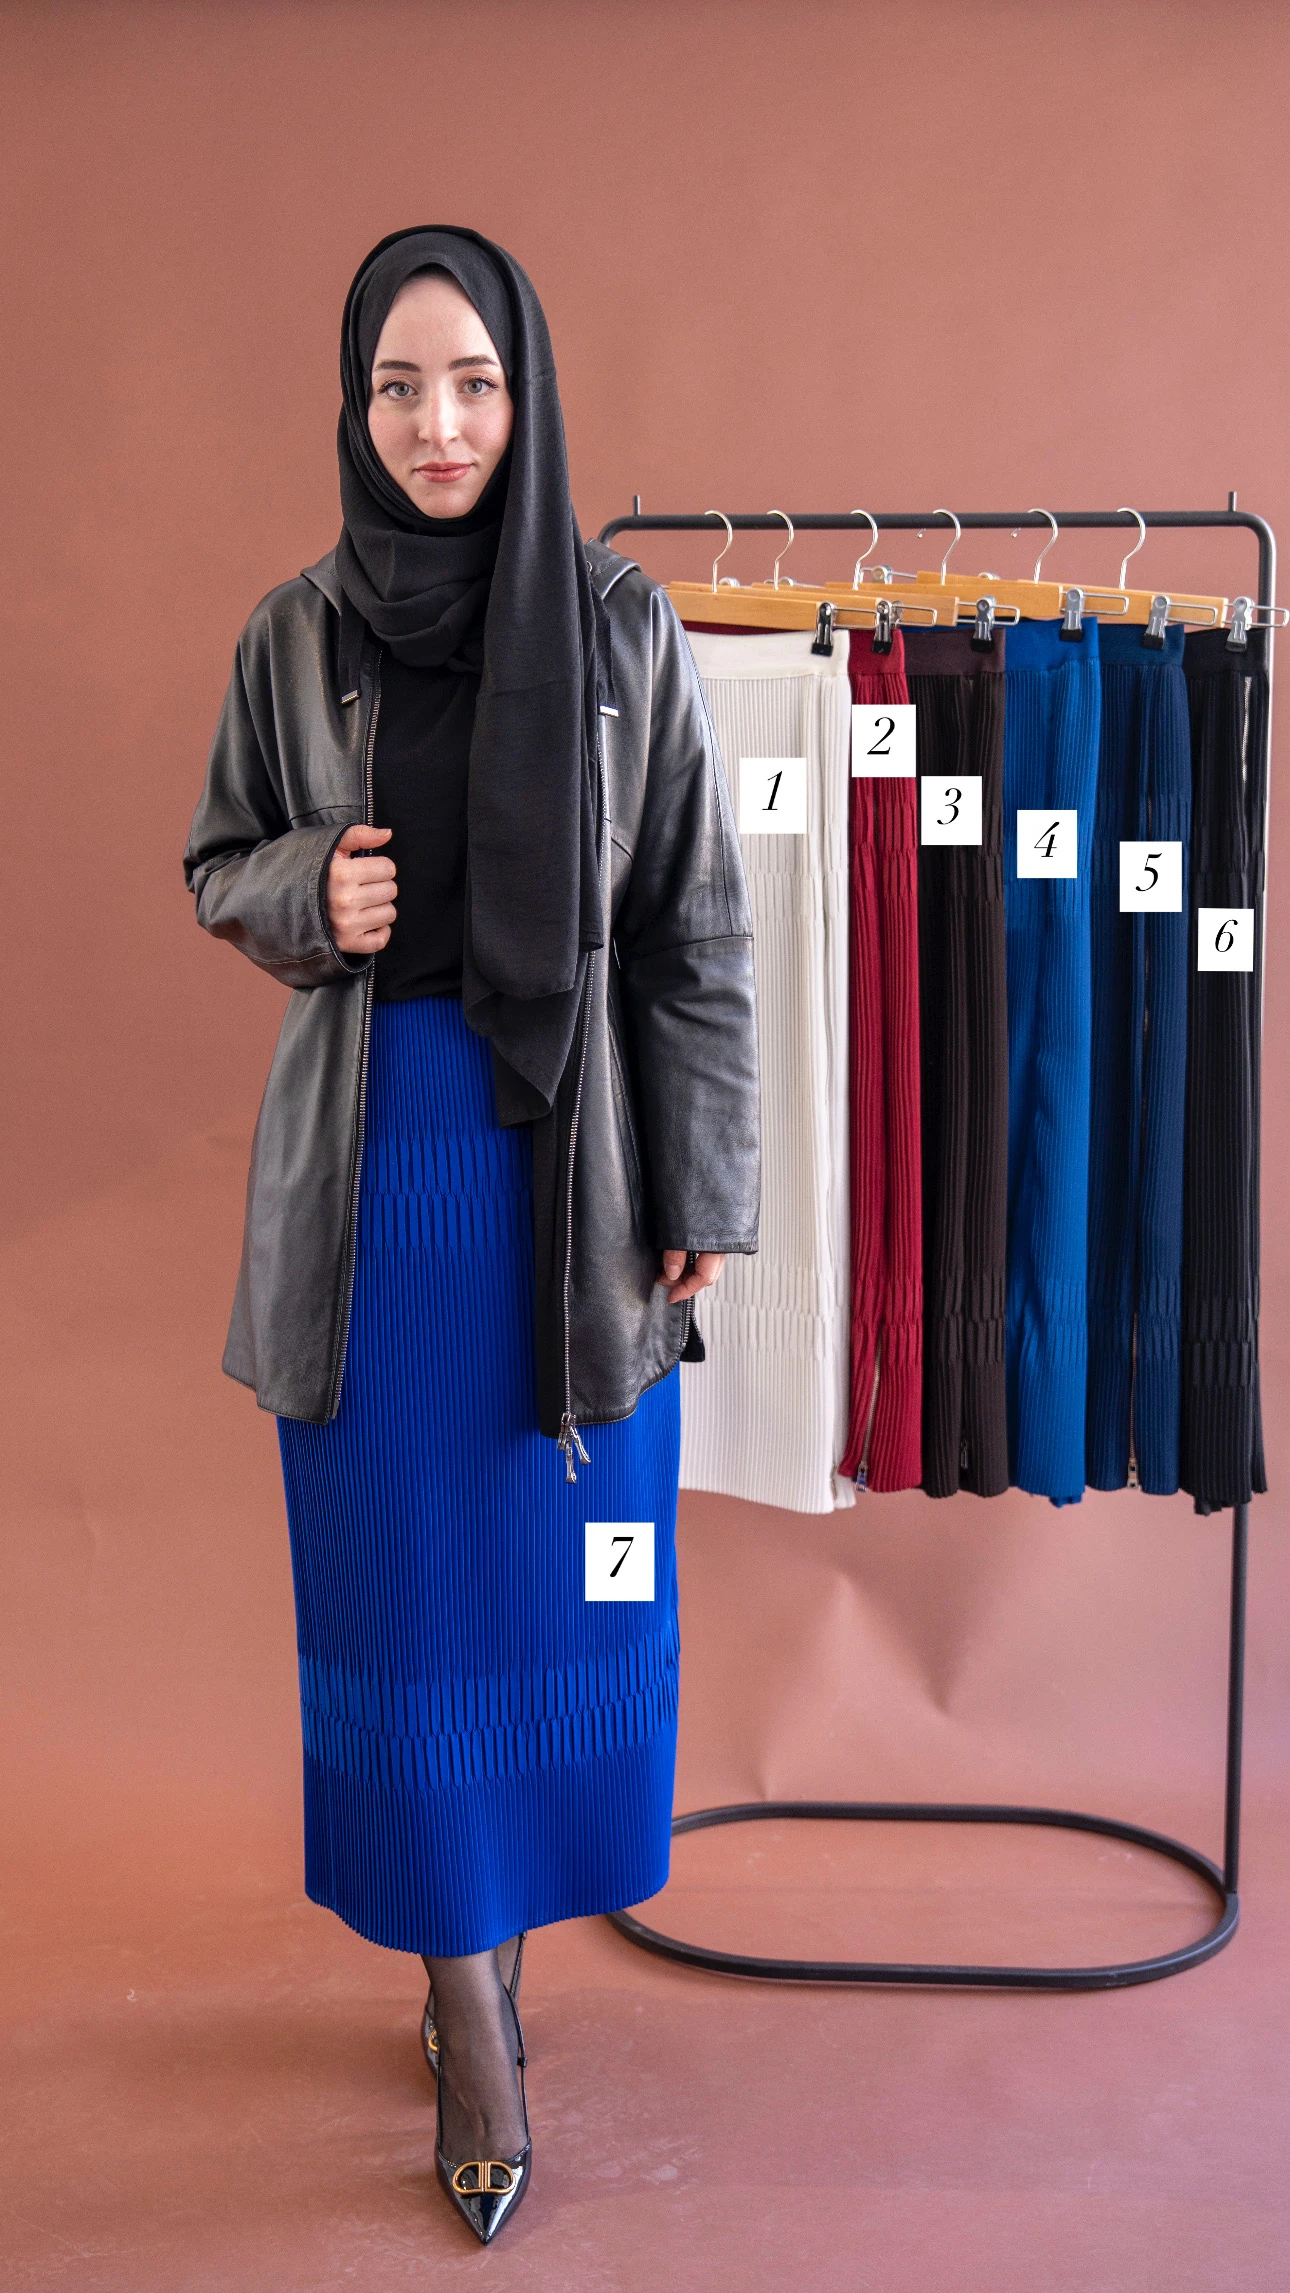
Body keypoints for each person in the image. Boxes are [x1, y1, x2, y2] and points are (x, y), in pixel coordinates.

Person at [183, 226, 760, 2244]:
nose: (439, 426)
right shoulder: (291, 633)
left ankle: (501, 1940)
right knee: (414, 1602)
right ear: (355, 406)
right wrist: (303, 898)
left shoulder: (620, 630)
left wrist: (704, 1190)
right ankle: (467, 2008)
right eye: (400, 387)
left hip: (576, 1194)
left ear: (529, 395)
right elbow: (216, 858)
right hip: (373, 1200)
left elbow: (692, 931)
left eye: (476, 384)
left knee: (562, 1586)